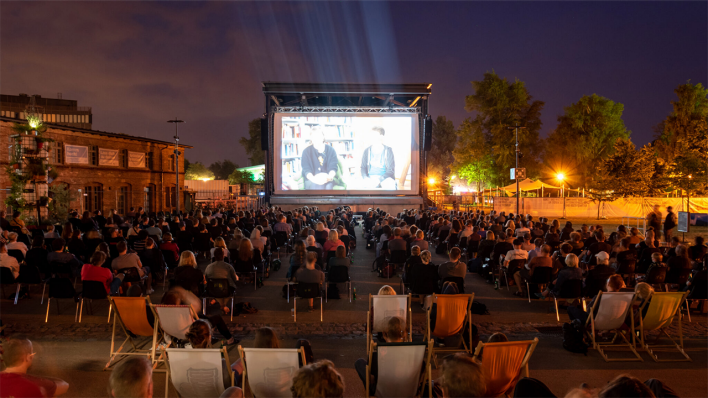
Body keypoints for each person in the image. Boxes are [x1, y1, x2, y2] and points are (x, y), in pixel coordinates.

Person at [0, 338, 70, 398]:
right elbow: (65, 386)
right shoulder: (32, 386)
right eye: (32, 353)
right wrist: (52, 366)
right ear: (27, 357)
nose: (33, 356)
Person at [354, 316, 406, 396]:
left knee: (360, 363)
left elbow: (371, 374)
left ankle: (371, 389)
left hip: (381, 390)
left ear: (385, 334)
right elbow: (422, 366)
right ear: (402, 334)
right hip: (405, 388)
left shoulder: (377, 355)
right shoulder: (411, 354)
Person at [183, 319, 233, 389]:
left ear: (190, 338)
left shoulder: (181, 362)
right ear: (209, 337)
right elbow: (228, 385)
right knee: (237, 367)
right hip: (217, 395)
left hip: (192, 394)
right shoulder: (219, 362)